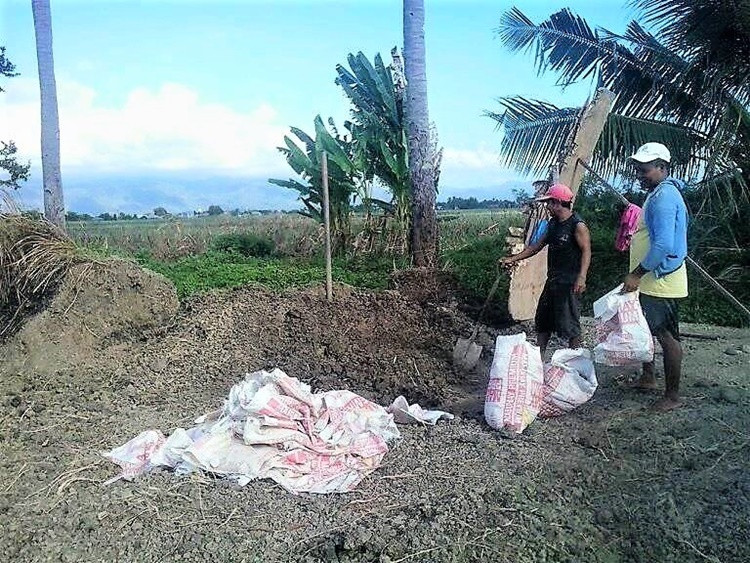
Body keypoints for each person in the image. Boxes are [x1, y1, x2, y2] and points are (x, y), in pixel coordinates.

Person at [622, 142, 689, 411]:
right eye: (638, 169)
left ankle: (672, 396)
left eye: (645, 169)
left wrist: (636, 274)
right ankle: (648, 377)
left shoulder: (664, 197)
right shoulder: (659, 192)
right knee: (646, 329)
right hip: (653, 278)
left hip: (661, 280)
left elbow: (662, 245)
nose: (640, 174)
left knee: (667, 336)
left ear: (662, 167)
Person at [500, 183, 591, 357]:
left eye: (549, 203)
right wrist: (512, 259)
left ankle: (575, 360)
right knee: (543, 320)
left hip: (569, 281)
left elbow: (586, 251)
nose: (547, 207)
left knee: (570, 323)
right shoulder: (553, 224)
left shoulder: (577, 225)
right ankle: (538, 359)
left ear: (558, 203)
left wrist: (582, 277)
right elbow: (535, 247)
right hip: (553, 280)